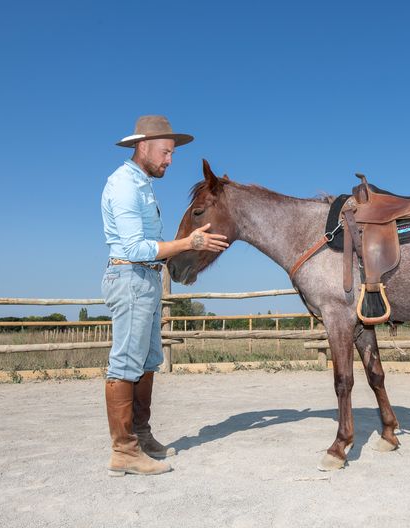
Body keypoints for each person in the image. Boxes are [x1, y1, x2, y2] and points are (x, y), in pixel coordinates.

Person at [101, 115, 229, 476]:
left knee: (147, 360)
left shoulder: (142, 184)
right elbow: (134, 246)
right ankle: (123, 450)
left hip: (145, 279)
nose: (170, 160)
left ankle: (140, 436)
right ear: (143, 147)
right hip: (130, 275)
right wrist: (189, 243)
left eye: (171, 153)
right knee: (126, 361)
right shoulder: (124, 185)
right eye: (166, 152)